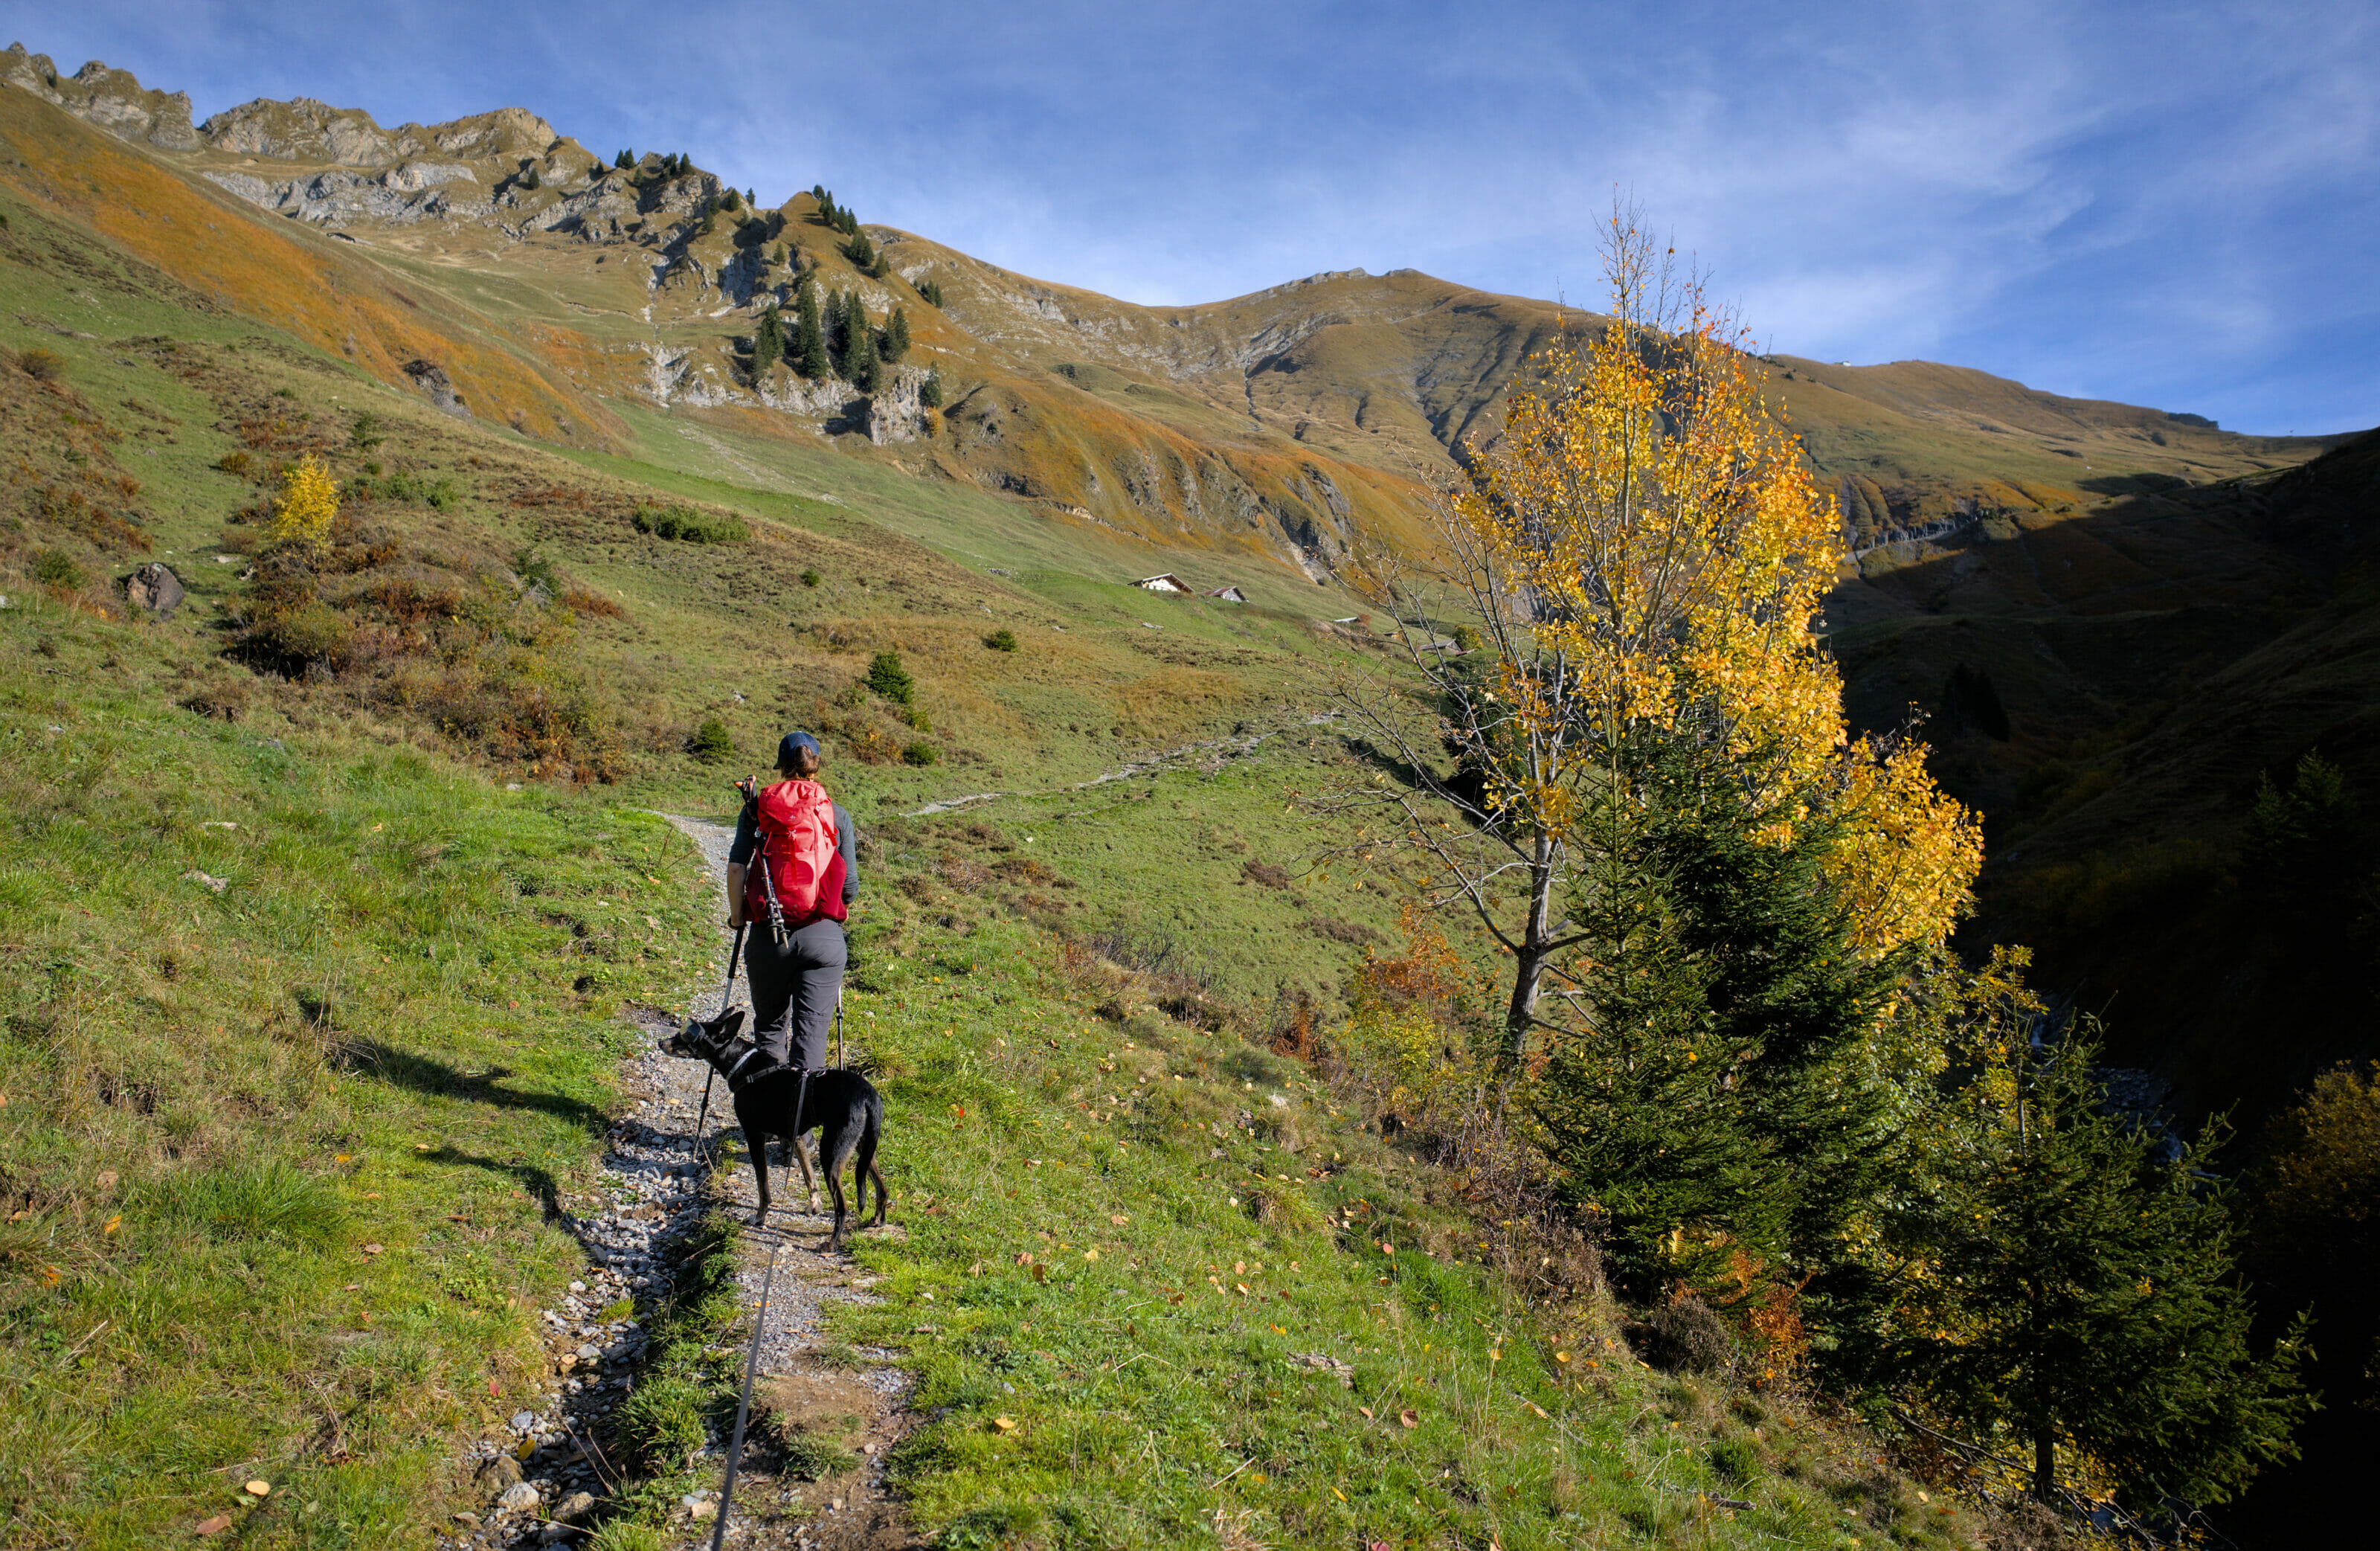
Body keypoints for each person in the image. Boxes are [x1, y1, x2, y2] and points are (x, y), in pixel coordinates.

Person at [726, 731, 858, 1070]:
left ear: (782, 767)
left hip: (769, 935)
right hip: (822, 938)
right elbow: (850, 889)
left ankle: (769, 1120)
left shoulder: (758, 810)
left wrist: (738, 917)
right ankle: (802, 1121)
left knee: (770, 1029)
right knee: (811, 1038)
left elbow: (737, 866)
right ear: (815, 766)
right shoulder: (836, 814)